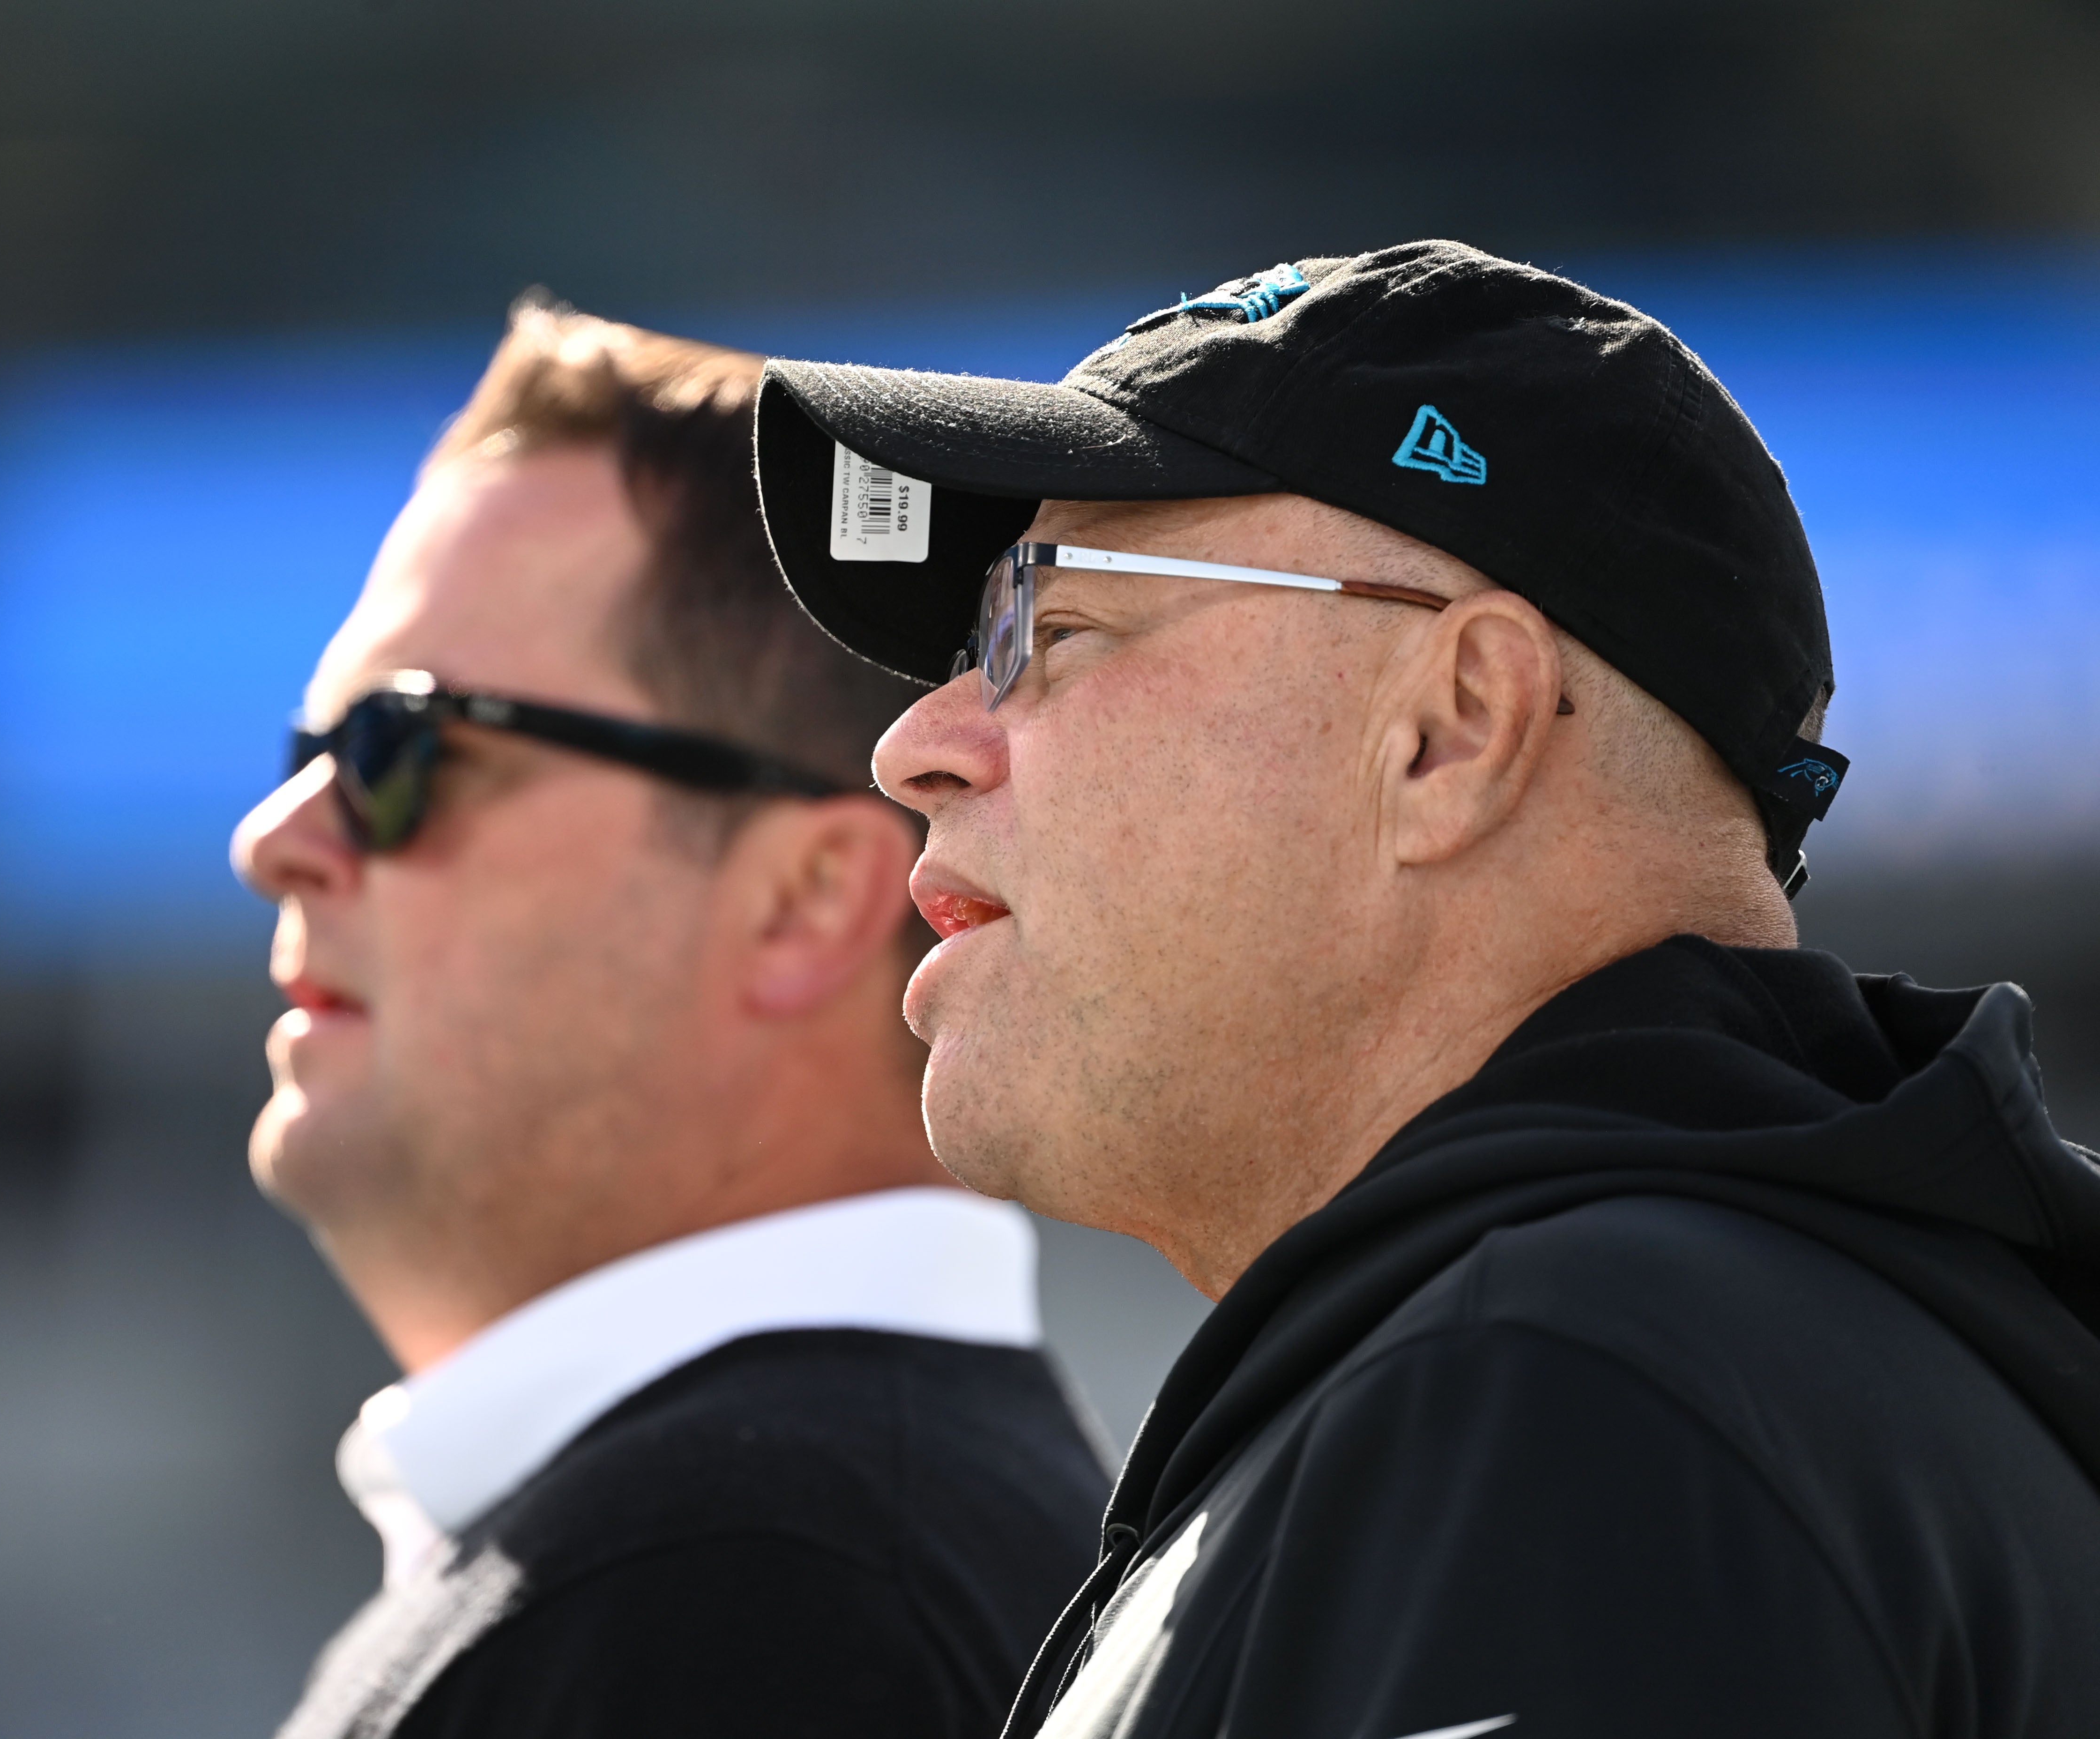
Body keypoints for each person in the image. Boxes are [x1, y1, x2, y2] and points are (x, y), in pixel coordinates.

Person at [750, 240, 2100, 1739]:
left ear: (1453, 728)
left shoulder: (1569, 1397)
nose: (915, 745)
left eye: (1049, 628)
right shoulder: (1718, 1363)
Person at [230, 299, 1107, 1739]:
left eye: (402, 746)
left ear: (807, 898)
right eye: (307, 751)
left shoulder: (755, 1608)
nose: (278, 837)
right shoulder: (763, 1563)